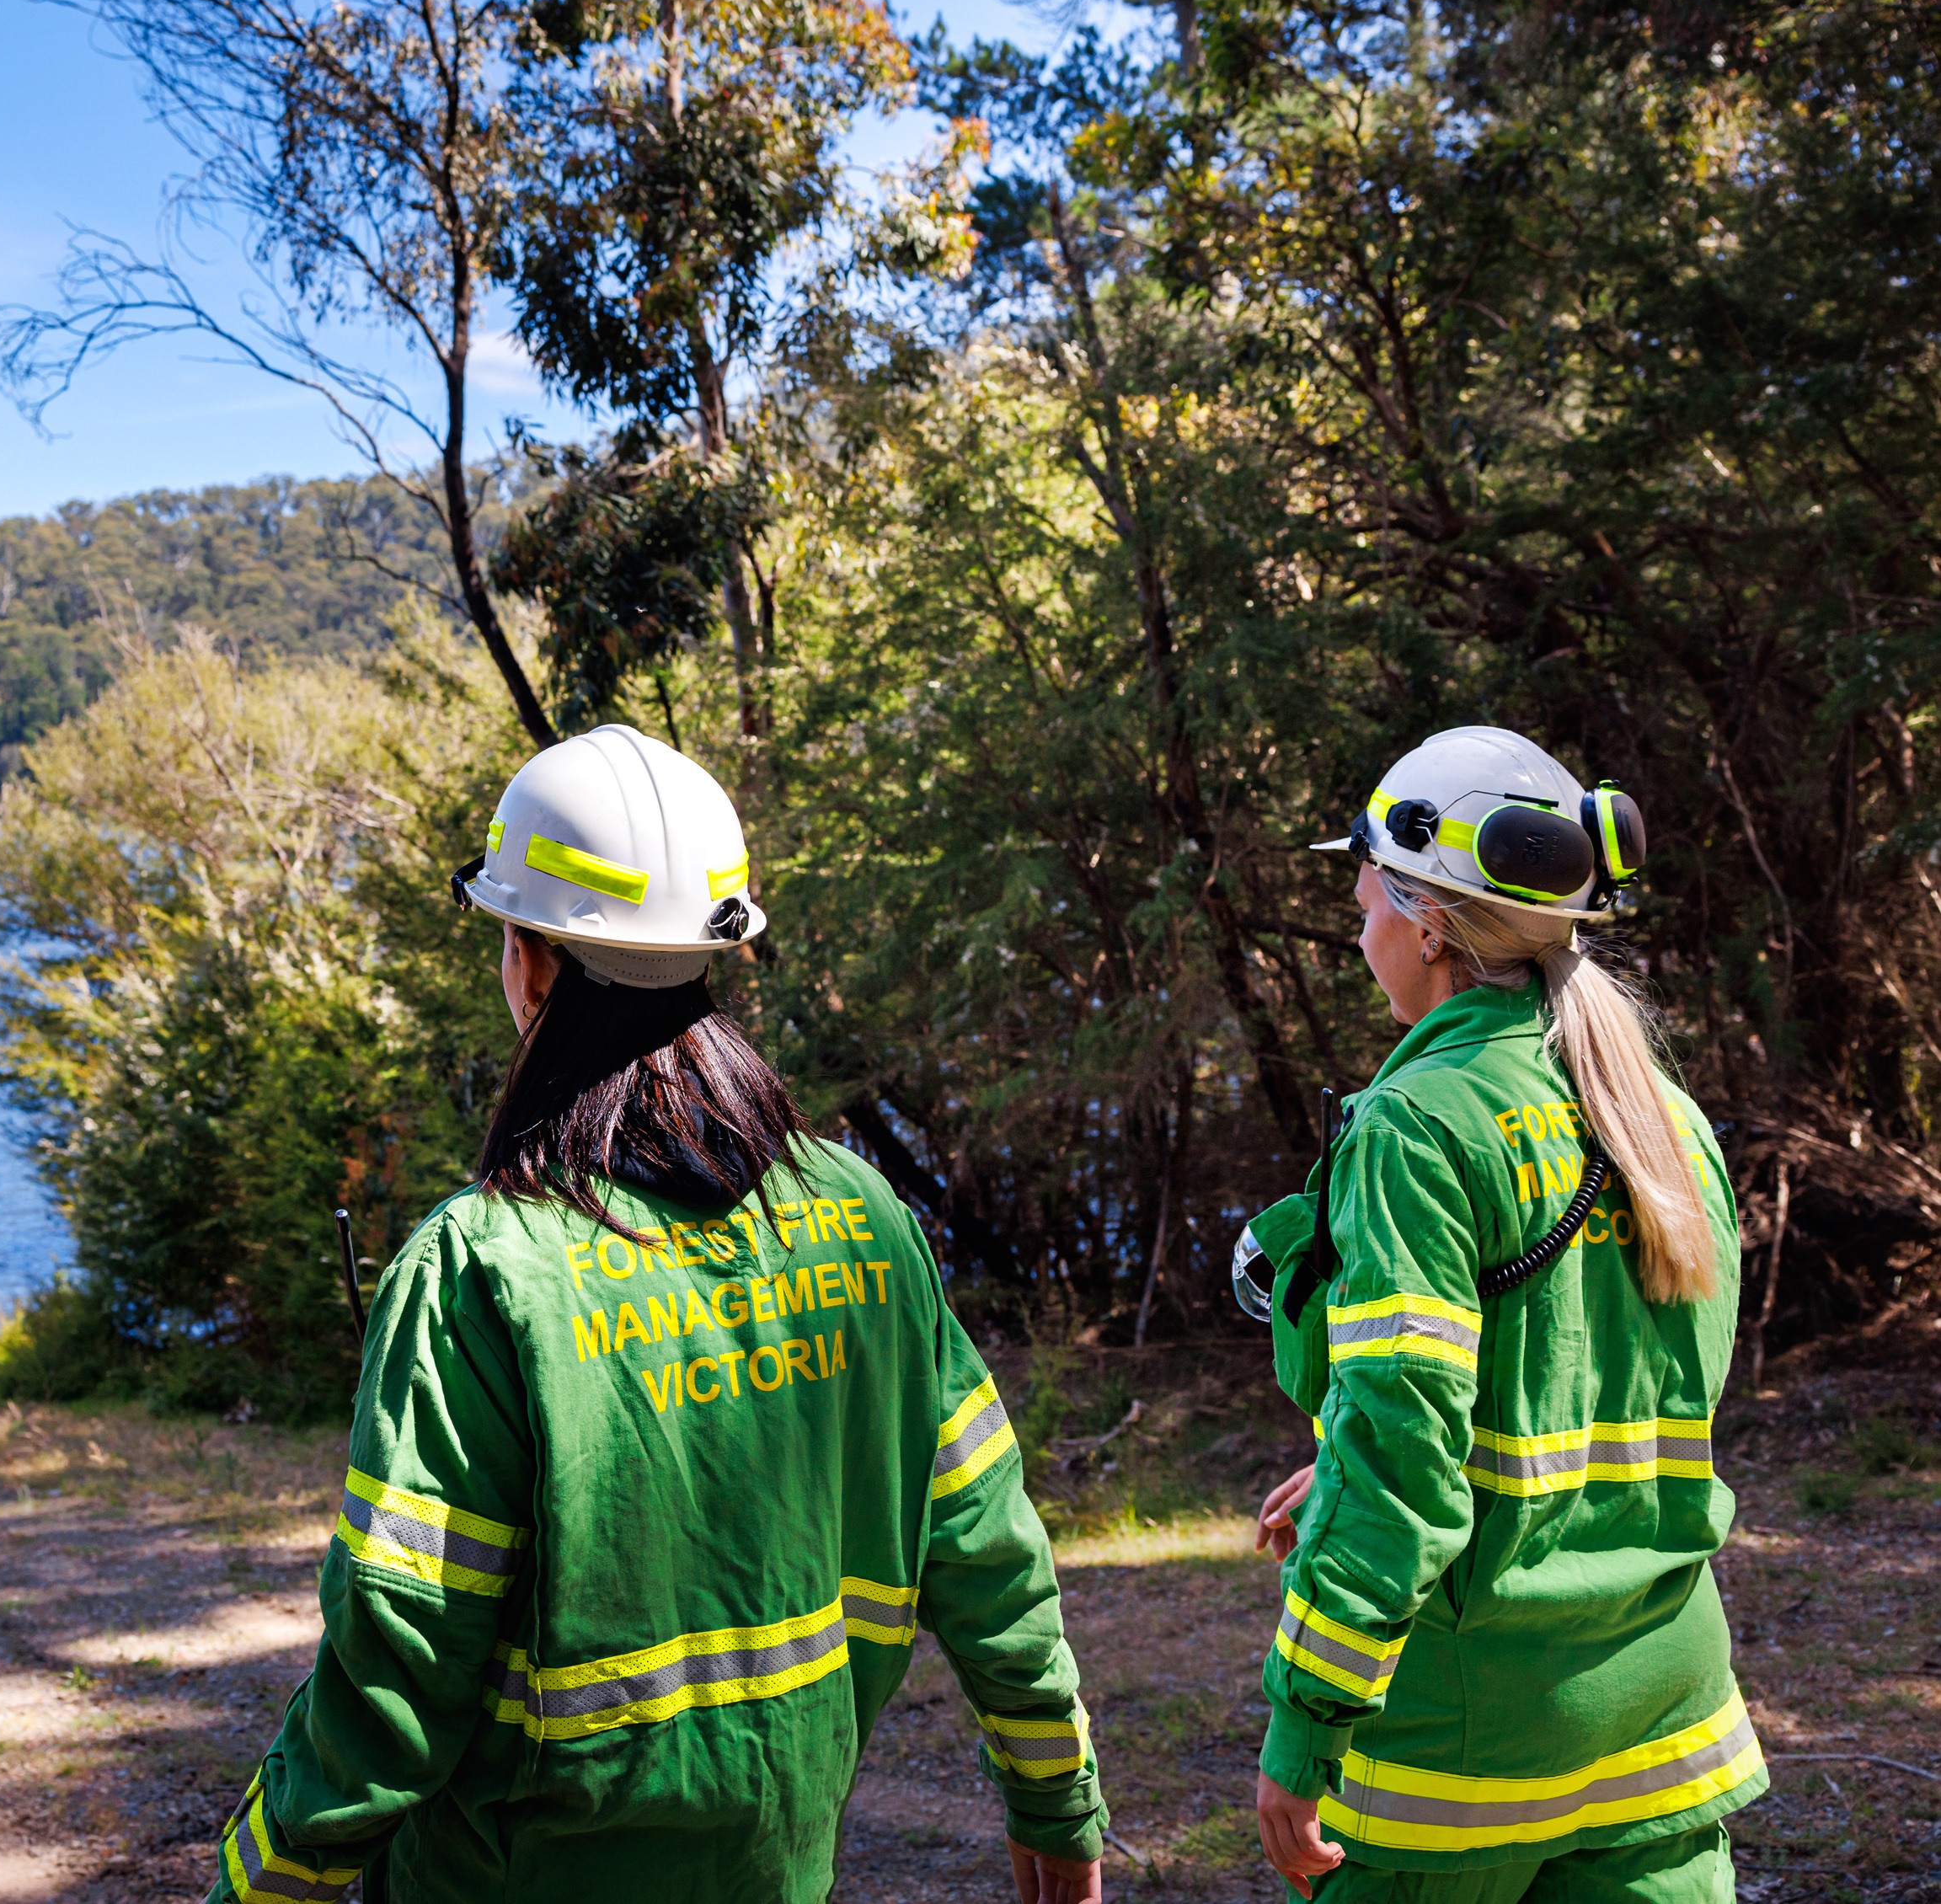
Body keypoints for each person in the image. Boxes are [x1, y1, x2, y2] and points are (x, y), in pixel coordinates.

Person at [207, 723, 1108, 1904]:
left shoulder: (478, 1268)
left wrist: (258, 1884)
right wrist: (1058, 1796)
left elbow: (396, 1667)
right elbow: (988, 1546)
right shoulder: (863, 1214)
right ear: (712, 956)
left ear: (530, 960)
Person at [1235, 727, 1762, 1902]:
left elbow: (1403, 1466)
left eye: (1365, 889)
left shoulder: (1417, 1124)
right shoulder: (1667, 1116)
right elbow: (1629, 1397)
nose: (1358, 917)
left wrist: (1303, 1726)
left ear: (1426, 922)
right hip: (1664, 1747)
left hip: (1458, 1766)